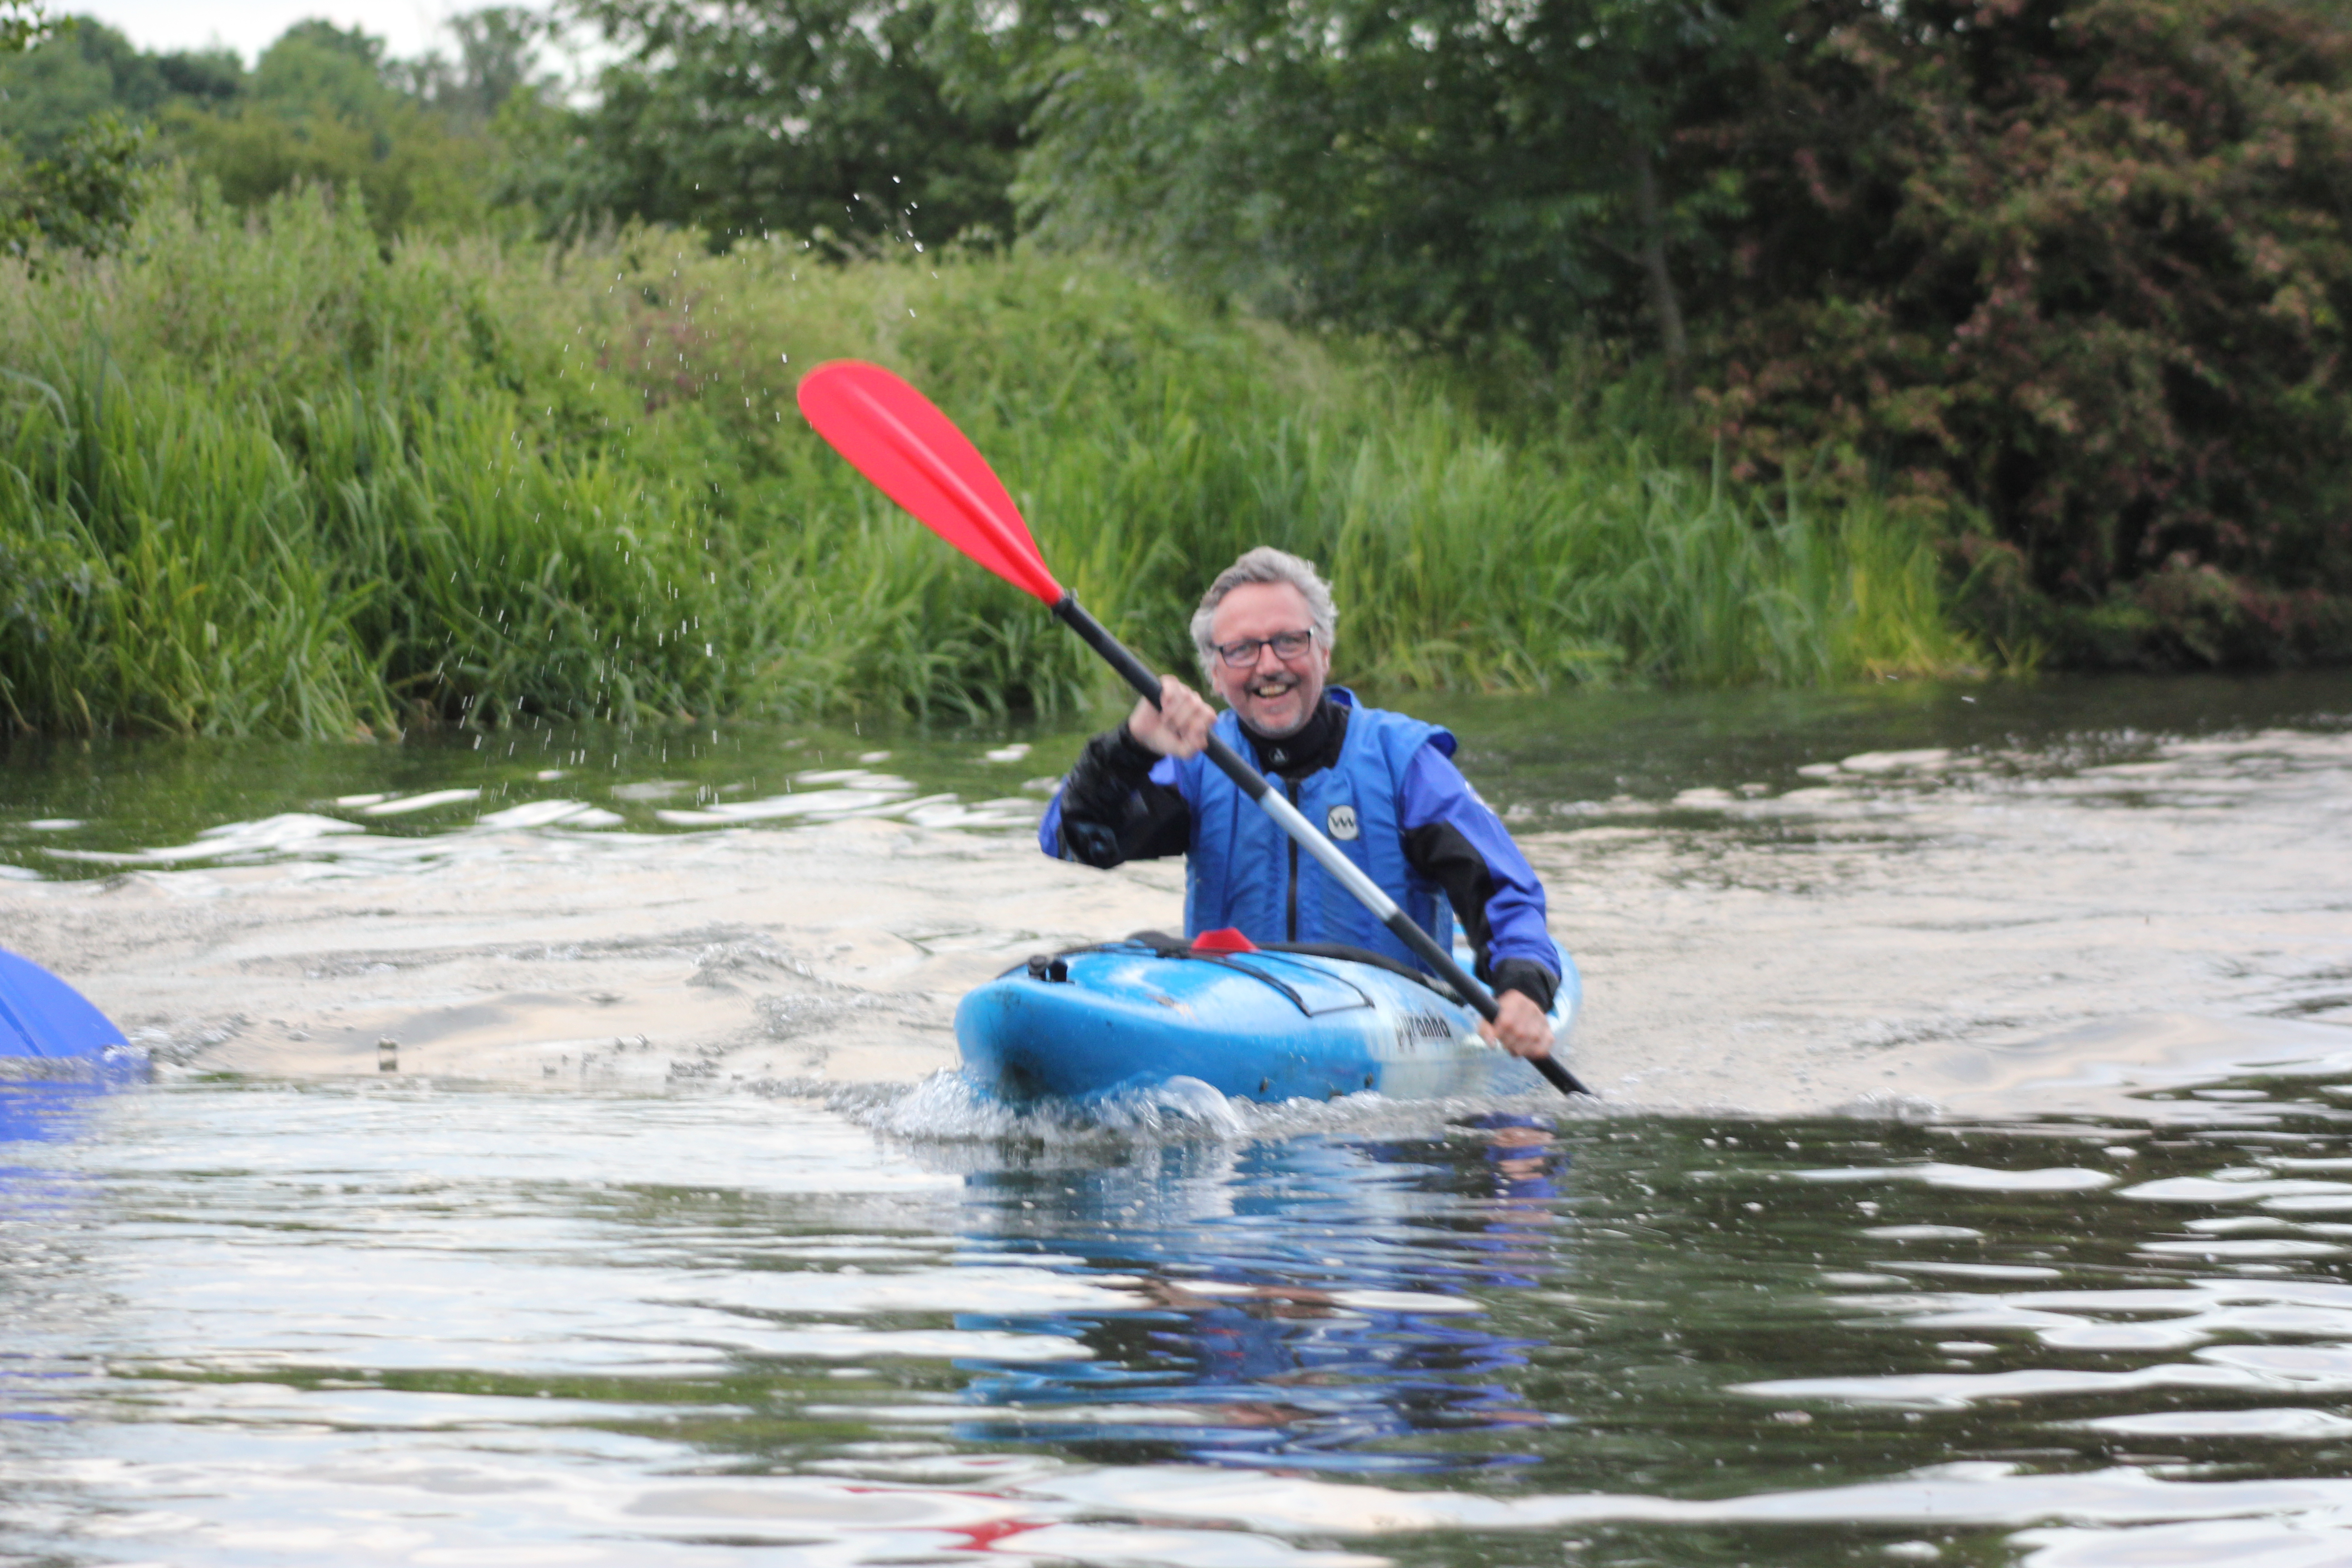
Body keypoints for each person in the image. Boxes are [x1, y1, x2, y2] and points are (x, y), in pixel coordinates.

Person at [1037, 547, 1560, 1060]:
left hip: (1388, 1027)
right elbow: (1071, 839)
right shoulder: (1195, 763)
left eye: (1289, 641)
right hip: (1236, 1016)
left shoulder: (1404, 762)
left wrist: (1521, 988)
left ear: (1324, 653)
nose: (1269, 665)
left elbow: (1503, 890)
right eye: (1241, 650)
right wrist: (1130, 746)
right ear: (1216, 674)